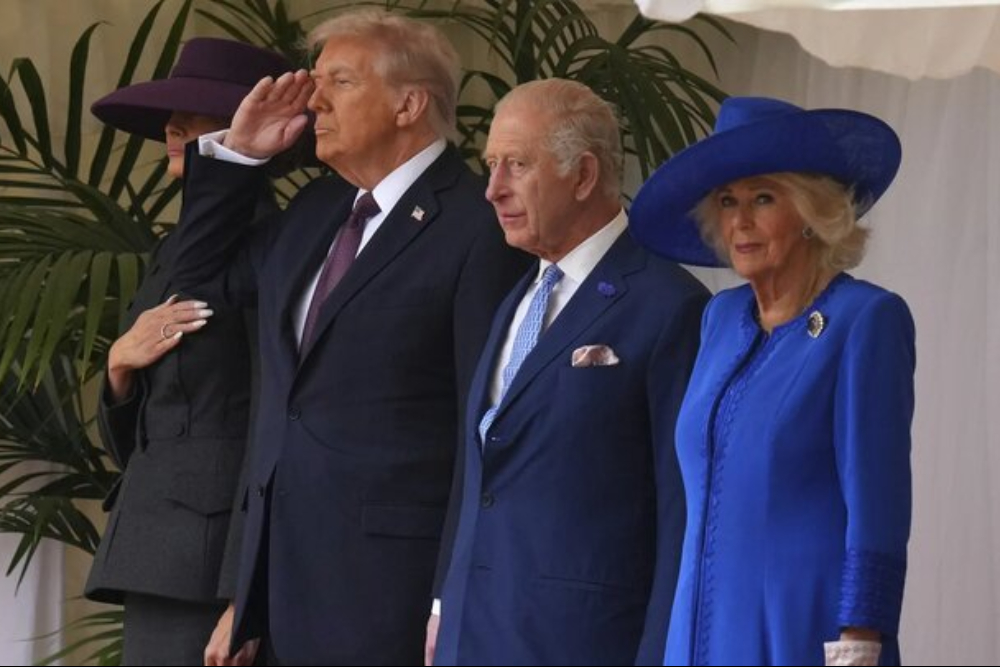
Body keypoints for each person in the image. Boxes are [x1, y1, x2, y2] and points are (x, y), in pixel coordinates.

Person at [168, 10, 530, 665]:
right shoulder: (314, 210)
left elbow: (483, 430)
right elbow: (199, 279)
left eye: (339, 81)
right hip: (279, 591)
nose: (315, 100)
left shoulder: (478, 227)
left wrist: (448, 597)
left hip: (390, 597)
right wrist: (239, 155)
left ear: (408, 105)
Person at [427, 79, 709, 666]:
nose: (492, 189)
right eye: (491, 165)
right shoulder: (517, 295)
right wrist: (443, 606)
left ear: (582, 176)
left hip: (584, 644)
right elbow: (485, 467)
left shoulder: (669, 305)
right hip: (472, 636)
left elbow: (681, 512)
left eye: (517, 165)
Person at [629, 96, 915, 666]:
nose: (740, 221)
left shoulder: (865, 320)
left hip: (800, 625)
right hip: (698, 626)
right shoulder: (720, 318)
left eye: (763, 198)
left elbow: (878, 504)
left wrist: (861, 639)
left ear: (812, 210)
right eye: (727, 201)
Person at [82, 38, 296, 666]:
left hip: (214, 565)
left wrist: (244, 591)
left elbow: (271, 423)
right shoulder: (171, 250)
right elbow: (147, 437)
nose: (173, 128)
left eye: (196, 115)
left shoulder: (273, 245)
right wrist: (119, 365)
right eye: (171, 117)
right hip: (155, 552)